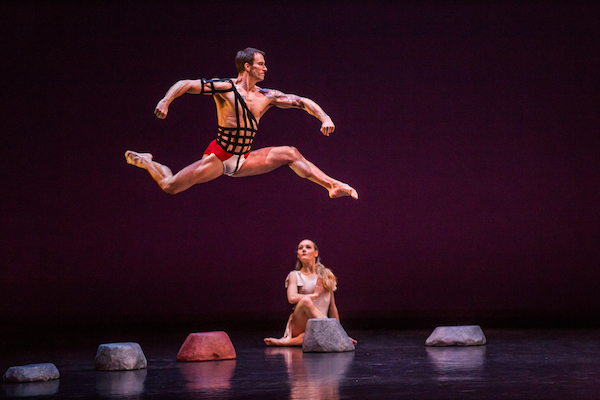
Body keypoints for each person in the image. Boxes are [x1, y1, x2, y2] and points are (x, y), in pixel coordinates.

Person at [125, 47, 358, 200]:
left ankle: (331, 185)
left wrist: (324, 117)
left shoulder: (267, 95)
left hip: (245, 158)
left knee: (291, 153)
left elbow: (301, 101)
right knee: (169, 186)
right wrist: (166, 100)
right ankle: (147, 161)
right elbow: (186, 84)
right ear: (247, 66)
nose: (265, 68)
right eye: (261, 64)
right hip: (220, 156)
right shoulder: (225, 88)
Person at [264, 239, 356, 346]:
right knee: (306, 301)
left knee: (309, 338)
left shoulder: (326, 276)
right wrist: (314, 295)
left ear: (316, 253)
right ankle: (335, 334)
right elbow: (292, 298)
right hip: (300, 323)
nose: (304, 250)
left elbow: (332, 307)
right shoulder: (295, 275)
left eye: (308, 247)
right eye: (300, 248)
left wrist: (340, 330)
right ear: (298, 255)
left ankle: (286, 342)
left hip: (319, 326)